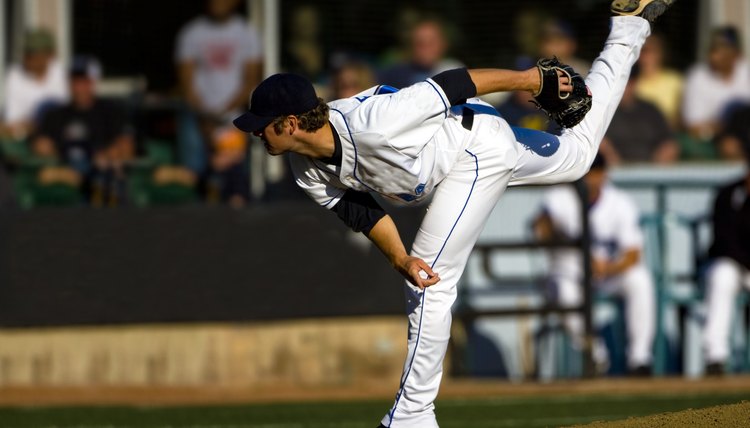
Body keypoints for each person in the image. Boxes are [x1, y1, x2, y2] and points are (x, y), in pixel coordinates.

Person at [233, 2, 673, 426]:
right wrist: (398, 257)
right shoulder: (303, 166)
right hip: (463, 152)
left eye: (262, 124)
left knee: (431, 281)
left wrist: (530, 80)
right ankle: (629, 28)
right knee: (578, 157)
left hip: (474, 148)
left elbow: (453, 82)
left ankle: (411, 417)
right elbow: (358, 210)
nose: (256, 132)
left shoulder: (374, 122)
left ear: (290, 123)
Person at [533, 154, 655, 375]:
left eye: (596, 172)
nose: (591, 178)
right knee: (562, 290)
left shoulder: (619, 201)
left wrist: (607, 268)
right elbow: (541, 229)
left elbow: (633, 254)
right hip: (570, 270)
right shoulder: (560, 195)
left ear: (604, 174)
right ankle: (596, 355)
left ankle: (640, 358)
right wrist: (557, 232)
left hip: (607, 271)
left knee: (639, 280)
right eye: (587, 172)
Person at [175, 0, 262, 192]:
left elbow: (251, 80)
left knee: (235, 176)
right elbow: (186, 83)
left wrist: (227, 114)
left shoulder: (247, 33)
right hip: (198, 118)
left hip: (235, 118)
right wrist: (206, 116)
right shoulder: (192, 33)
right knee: (195, 175)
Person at [31, 57, 134, 206]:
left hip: (98, 173)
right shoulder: (55, 115)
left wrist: (110, 154)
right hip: (65, 172)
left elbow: (126, 145)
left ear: (93, 82)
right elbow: (40, 144)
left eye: (84, 81)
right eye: (74, 81)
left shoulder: (111, 111)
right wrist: (50, 155)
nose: (78, 87)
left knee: (109, 179)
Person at [702, 140, 750, 376]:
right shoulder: (728, 194)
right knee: (721, 276)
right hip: (731, 263)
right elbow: (723, 239)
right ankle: (715, 356)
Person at [682, 27, 750, 144]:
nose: (713, 56)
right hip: (715, 140)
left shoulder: (746, 71)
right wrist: (724, 127)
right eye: (712, 49)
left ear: (735, 54)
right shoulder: (698, 76)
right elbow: (693, 126)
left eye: (721, 49)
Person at [600, 65, 679, 164]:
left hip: (650, 171)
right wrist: (607, 154)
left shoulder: (650, 110)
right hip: (614, 171)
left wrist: (662, 157)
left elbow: (669, 142)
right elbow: (597, 142)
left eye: (627, 83)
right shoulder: (603, 111)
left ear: (634, 83)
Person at [1, 29, 68, 140]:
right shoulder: (14, 75)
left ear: (49, 55)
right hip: (24, 137)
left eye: (32, 53)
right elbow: (11, 123)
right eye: (26, 53)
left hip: (58, 136)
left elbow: (68, 113)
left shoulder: (61, 74)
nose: (27, 58)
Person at [378, 16, 463, 89]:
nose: (425, 47)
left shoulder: (455, 72)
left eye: (431, 42)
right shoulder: (394, 76)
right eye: (419, 42)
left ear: (444, 44)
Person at [635, 34, 683, 128]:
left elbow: (681, 116)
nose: (644, 56)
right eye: (641, 51)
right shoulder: (630, 83)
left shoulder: (675, 81)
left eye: (648, 51)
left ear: (660, 54)